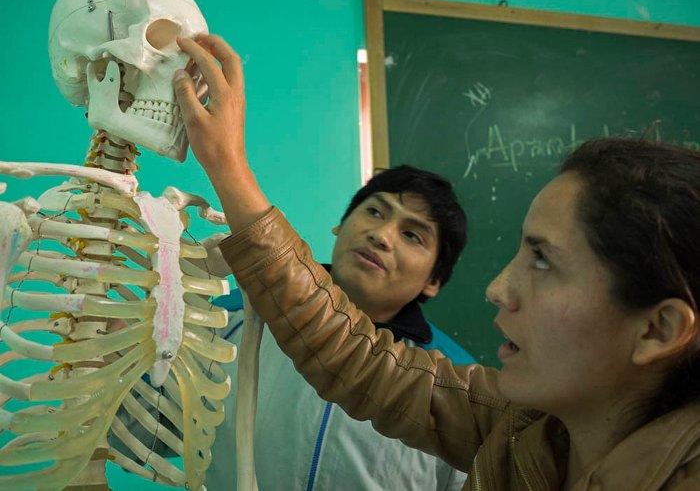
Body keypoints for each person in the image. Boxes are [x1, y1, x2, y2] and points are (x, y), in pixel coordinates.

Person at [173, 34, 700, 490]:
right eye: (374, 211)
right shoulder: (521, 426)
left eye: (542, 261)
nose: (497, 289)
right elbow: (350, 356)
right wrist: (227, 165)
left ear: (658, 328)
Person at [207, 165, 475, 490]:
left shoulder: (455, 387)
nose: (382, 235)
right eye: (375, 211)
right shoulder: (235, 316)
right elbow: (148, 430)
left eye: (412, 235)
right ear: (340, 225)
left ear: (434, 280)